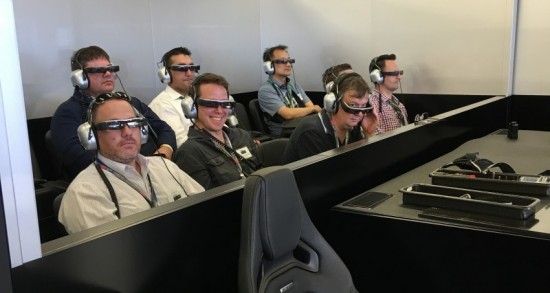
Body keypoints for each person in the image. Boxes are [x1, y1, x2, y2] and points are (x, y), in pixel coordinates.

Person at [58, 92, 204, 233]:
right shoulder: (85, 193)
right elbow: (111, 254)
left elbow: (206, 210)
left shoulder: (166, 166)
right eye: (114, 125)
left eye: (134, 123)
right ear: (92, 136)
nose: (128, 132)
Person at [51, 45, 177, 181]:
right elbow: (75, 157)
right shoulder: (67, 112)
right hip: (109, 180)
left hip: (154, 171)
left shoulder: (131, 103)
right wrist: (131, 166)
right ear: (80, 78)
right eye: (98, 70)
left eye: (111, 69)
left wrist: (165, 149)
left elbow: (164, 129)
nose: (108, 74)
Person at [174, 73, 262, 190]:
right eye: (210, 103)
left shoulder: (242, 136)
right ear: (192, 107)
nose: (220, 111)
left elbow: (263, 174)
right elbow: (209, 204)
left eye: (225, 104)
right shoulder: (189, 153)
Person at [283, 72, 378, 163]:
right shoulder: (311, 132)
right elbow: (326, 175)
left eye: (363, 106)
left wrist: (369, 134)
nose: (360, 114)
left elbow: (364, 164)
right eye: (353, 105)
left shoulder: (353, 128)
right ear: (333, 103)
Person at [258, 44, 322, 136]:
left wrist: (312, 109)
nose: (288, 64)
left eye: (289, 60)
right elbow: (288, 114)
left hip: (302, 128)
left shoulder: (295, 86)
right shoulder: (265, 90)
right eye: (283, 61)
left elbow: (311, 108)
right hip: (284, 136)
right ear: (269, 66)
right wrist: (313, 108)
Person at [149, 47, 198, 148]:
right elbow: (182, 144)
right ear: (166, 74)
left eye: (192, 68)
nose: (189, 73)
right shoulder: (162, 104)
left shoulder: (197, 97)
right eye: (181, 68)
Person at [368, 53, 408, 134]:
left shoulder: (398, 104)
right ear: (378, 77)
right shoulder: (372, 105)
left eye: (399, 72)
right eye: (394, 73)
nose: (399, 77)